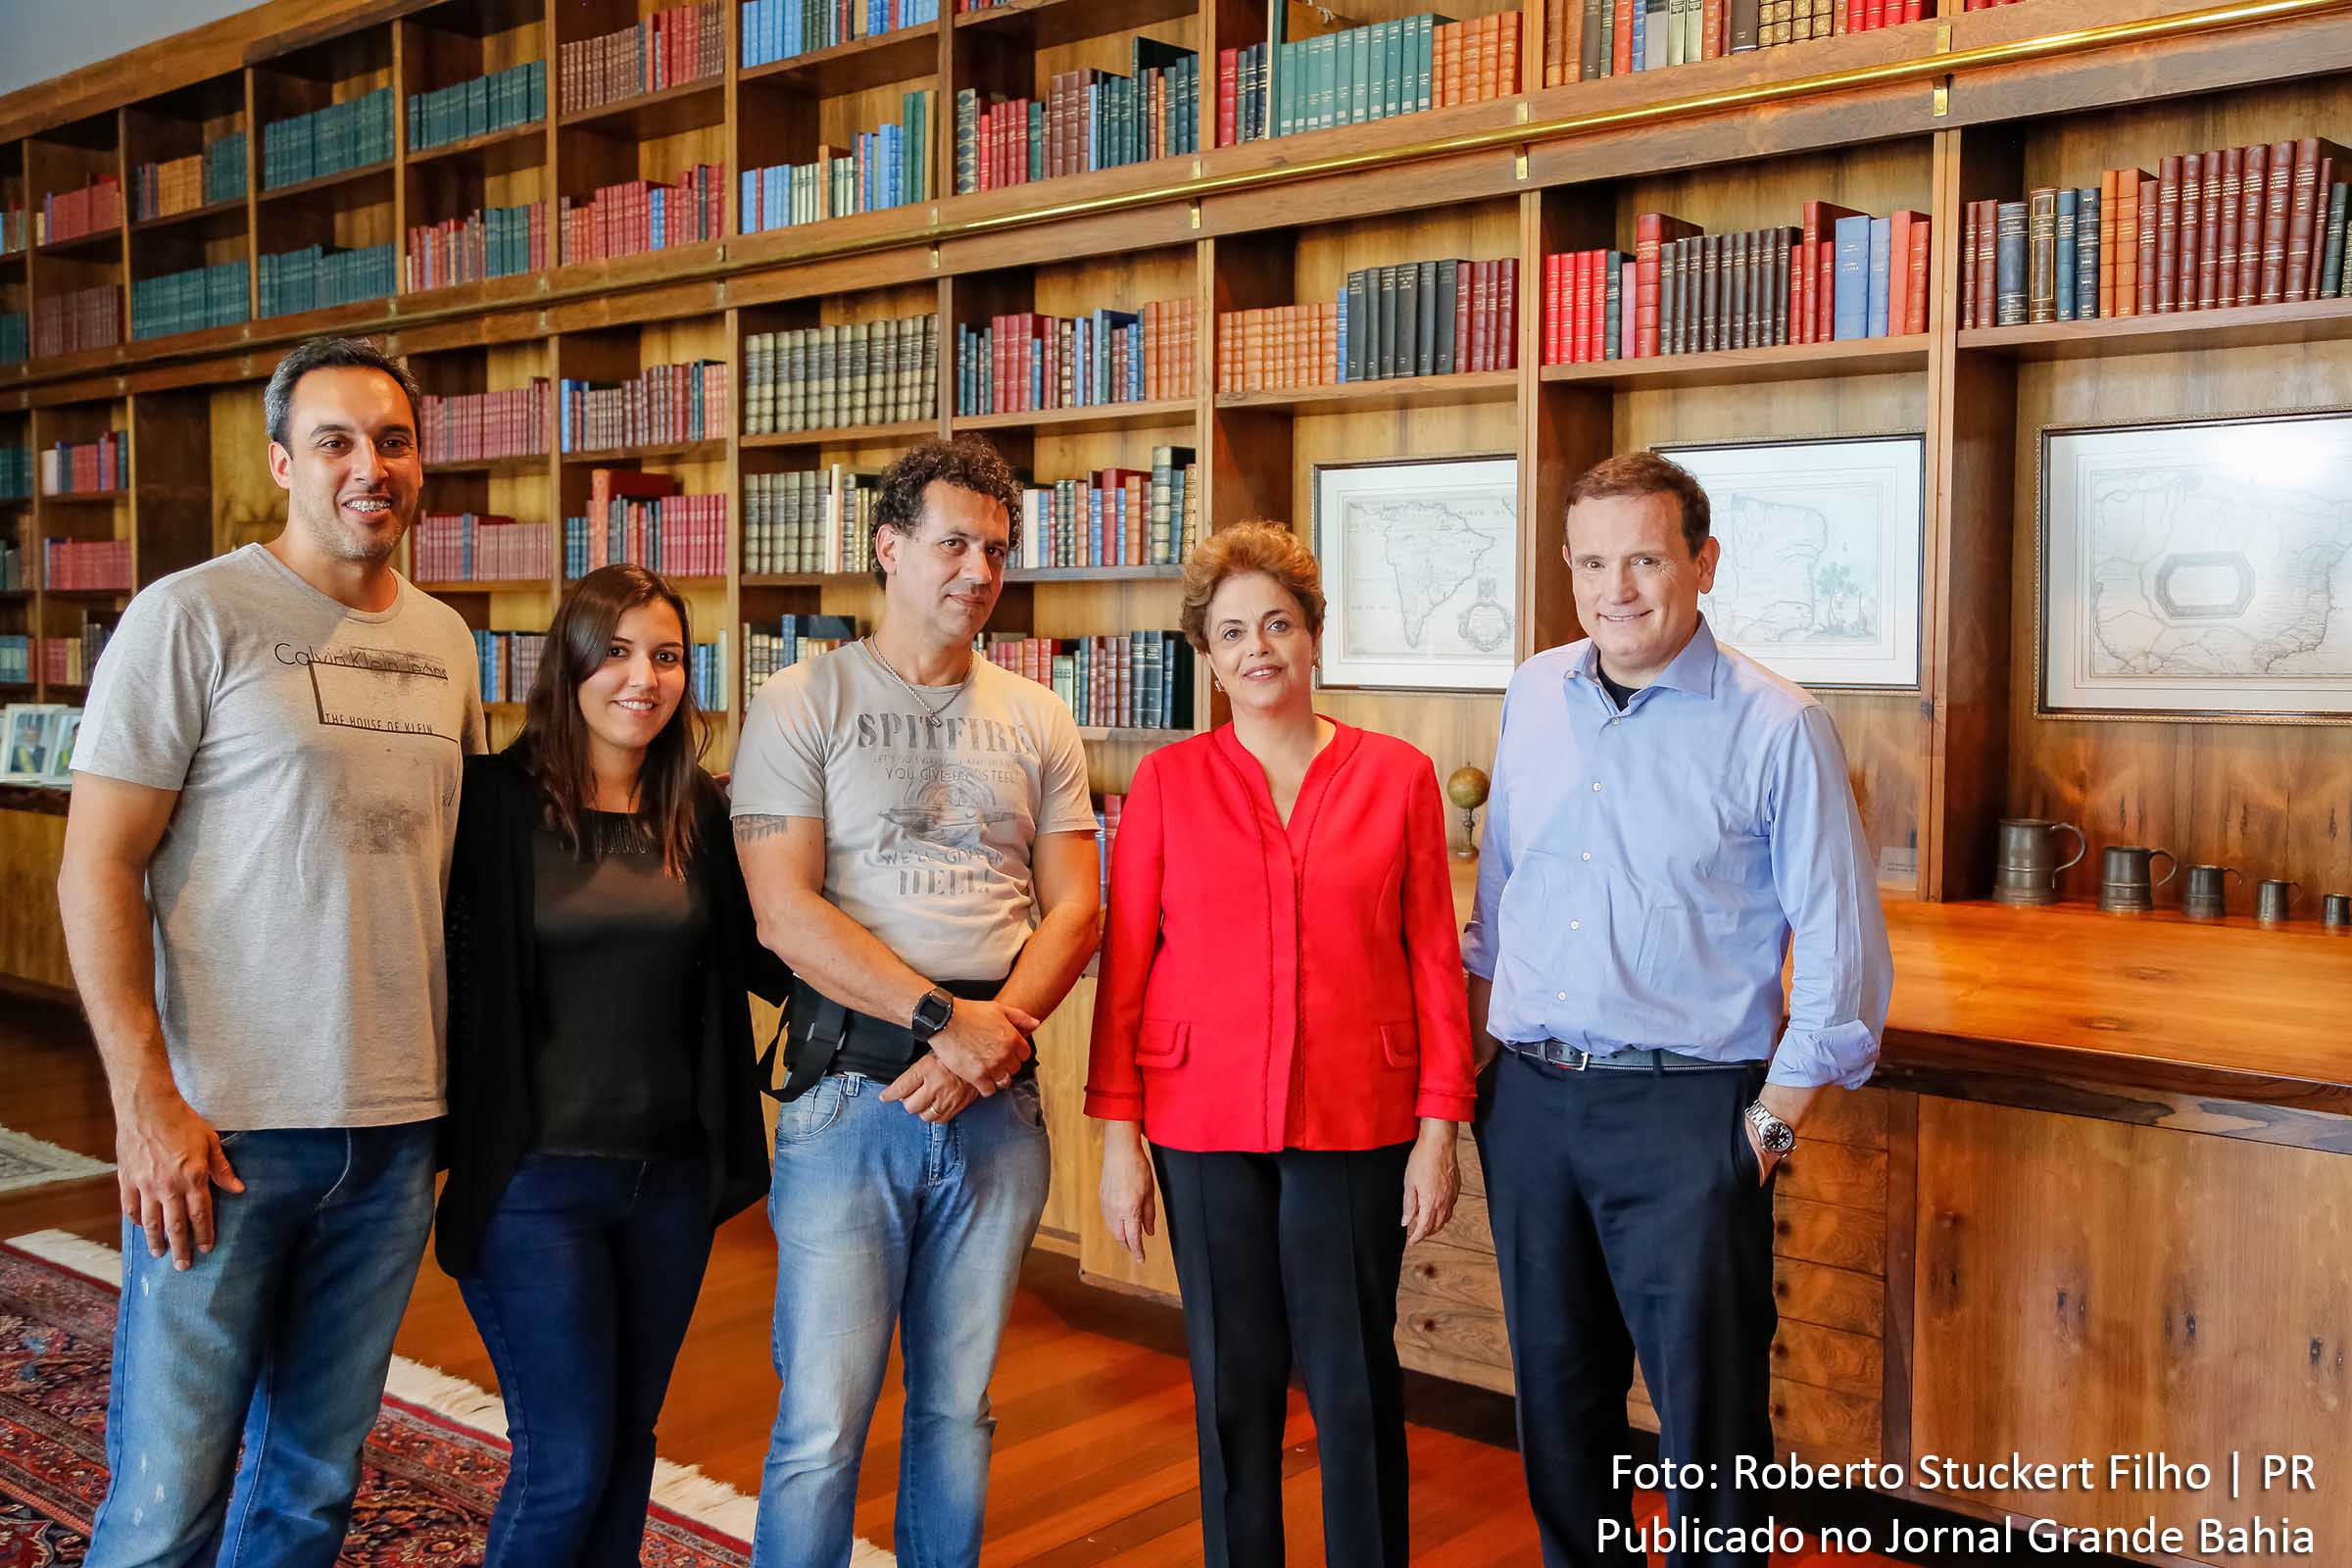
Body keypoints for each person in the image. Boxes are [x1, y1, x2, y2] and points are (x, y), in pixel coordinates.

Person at [57, 336, 484, 1568]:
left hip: (396, 1126)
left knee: (313, 1484)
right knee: (168, 1500)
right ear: (282, 462)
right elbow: (96, 866)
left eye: (393, 442)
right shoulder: (190, 615)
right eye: (336, 441)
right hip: (225, 1129)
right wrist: (146, 1102)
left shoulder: (449, 641)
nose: (370, 467)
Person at [1462, 451, 1894, 1568]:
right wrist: (1482, 1068)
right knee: (1561, 1406)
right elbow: (1502, 895)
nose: (1617, 589)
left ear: (1704, 564)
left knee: (1709, 1426)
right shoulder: (1531, 694)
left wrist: (1770, 1127)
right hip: (1531, 1104)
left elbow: (1842, 955)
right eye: (1591, 563)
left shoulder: (1779, 725)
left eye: (1646, 560)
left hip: (1689, 1116)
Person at [728, 435, 1102, 1568]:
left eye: (996, 549)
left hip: (999, 1104)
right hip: (851, 1096)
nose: (978, 572)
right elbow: (783, 913)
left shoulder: (1038, 714)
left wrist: (994, 1042)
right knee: (821, 1423)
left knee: (957, 1410)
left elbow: (1078, 908)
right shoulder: (802, 699)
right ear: (889, 548)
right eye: (952, 545)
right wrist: (951, 1025)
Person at [1088, 521, 1477, 1568]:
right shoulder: (1166, 783)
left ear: (1312, 636)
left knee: (1353, 1380)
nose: (1257, 648)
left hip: (1356, 1115)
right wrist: (1120, 1139)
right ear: (1207, 657)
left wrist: (1440, 1128)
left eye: (1277, 624)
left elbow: (1434, 962)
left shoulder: (1398, 775)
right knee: (1233, 1382)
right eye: (1231, 632)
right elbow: (1127, 968)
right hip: (1198, 1118)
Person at [434, 564, 789, 1566]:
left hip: (669, 1180)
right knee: (567, 1458)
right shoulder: (490, 805)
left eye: (667, 656)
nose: (645, 678)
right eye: (619, 652)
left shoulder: (698, 810)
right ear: (571, 664)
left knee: (629, 1443)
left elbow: (768, 957)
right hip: (534, 1183)